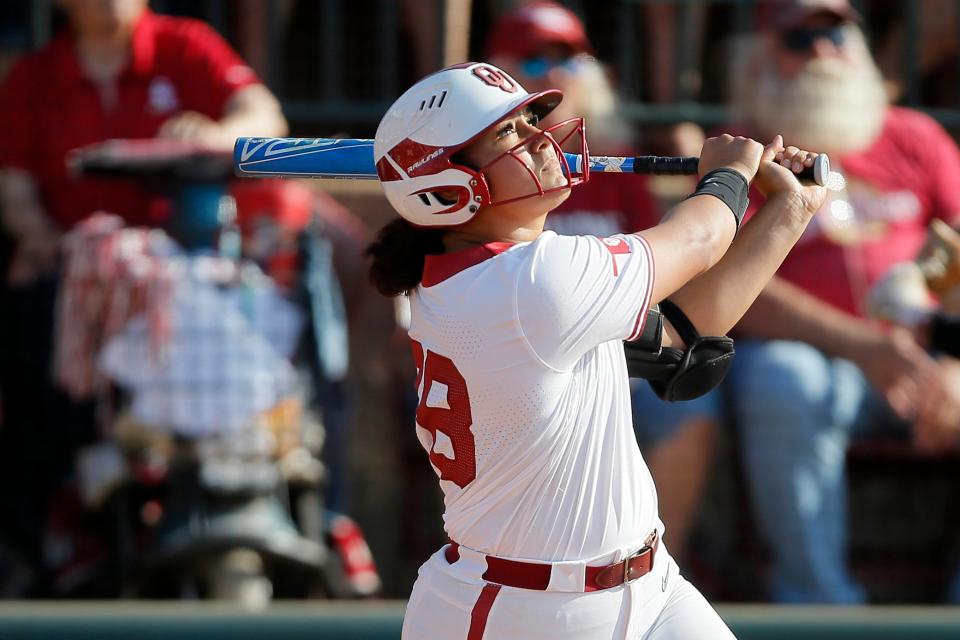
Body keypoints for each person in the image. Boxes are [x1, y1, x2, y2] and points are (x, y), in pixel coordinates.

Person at [366, 60, 825, 638]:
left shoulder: (501, 281)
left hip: (651, 586)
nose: (539, 137)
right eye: (507, 133)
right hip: (525, 611)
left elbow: (679, 338)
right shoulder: (527, 285)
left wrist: (790, 211)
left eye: (531, 119)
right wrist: (727, 174)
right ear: (445, 188)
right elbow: (702, 235)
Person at [0, 0, 287, 593]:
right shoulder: (33, 77)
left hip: (193, 276)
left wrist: (216, 135)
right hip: (76, 279)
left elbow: (264, 114)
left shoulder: (186, 45)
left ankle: (316, 511)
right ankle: (65, 526)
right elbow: (14, 188)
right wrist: (53, 245)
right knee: (33, 327)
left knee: (290, 333)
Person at [717, 0, 960, 603]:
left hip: (925, 358)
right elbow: (730, 284)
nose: (823, 50)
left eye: (836, 33)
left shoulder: (914, 134)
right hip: (806, 358)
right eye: (799, 38)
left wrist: (956, 364)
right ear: (761, 58)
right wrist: (860, 344)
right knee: (782, 379)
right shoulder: (740, 150)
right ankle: (821, 607)